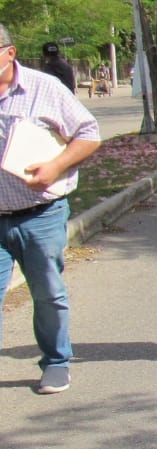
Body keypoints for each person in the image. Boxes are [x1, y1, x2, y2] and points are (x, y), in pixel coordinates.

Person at [0, 24, 102, 394]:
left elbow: (89, 133)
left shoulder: (45, 89)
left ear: (9, 54)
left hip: (39, 214)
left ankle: (56, 360)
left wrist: (56, 167)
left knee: (47, 294)